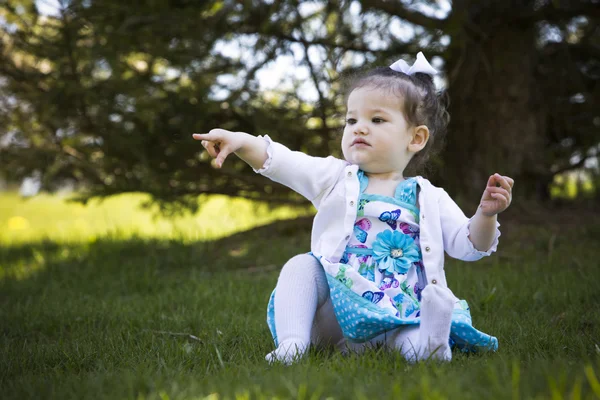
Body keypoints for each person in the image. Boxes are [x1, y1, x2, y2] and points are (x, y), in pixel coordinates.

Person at [192, 52, 514, 364]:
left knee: (409, 337)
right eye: (351, 119)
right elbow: (281, 160)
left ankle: (430, 342)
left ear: (416, 138)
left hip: (398, 313)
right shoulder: (334, 178)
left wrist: (485, 215)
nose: (359, 127)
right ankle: (293, 343)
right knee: (302, 266)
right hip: (336, 318)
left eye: (376, 120)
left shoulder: (428, 196)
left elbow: (469, 245)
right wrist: (240, 141)